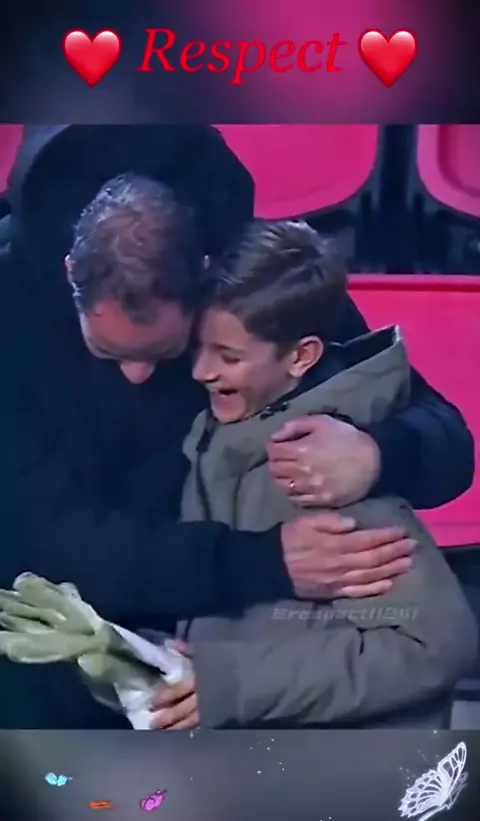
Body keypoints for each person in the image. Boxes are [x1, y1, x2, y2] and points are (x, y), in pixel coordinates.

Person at [0, 126, 474, 727]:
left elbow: (442, 437)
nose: (139, 376)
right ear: (71, 273)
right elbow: (35, 541)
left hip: (230, 674)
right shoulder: (11, 302)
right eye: (109, 352)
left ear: (204, 277)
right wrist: (262, 562)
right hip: (67, 648)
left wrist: (378, 453)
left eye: (168, 351)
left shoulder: (249, 283)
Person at [150, 220, 478, 729]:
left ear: (302, 356)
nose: (200, 371)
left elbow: (437, 643)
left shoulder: (322, 471)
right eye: (199, 348)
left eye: (228, 356)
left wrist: (235, 684)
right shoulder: (225, 432)